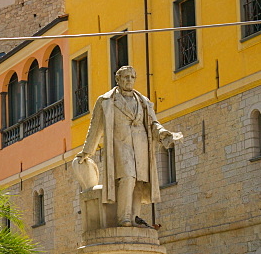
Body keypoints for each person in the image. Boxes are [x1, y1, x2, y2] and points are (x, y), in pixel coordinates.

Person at [77, 65, 182, 227]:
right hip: (120, 145)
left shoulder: (143, 101)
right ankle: (123, 217)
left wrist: (163, 133)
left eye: (132, 77)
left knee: (139, 181)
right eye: (125, 77)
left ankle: (134, 217)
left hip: (141, 145)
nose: (129, 80)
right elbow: (95, 126)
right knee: (128, 177)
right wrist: (87, 151)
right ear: (117, 79)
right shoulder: (106, 101)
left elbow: (153, 123)